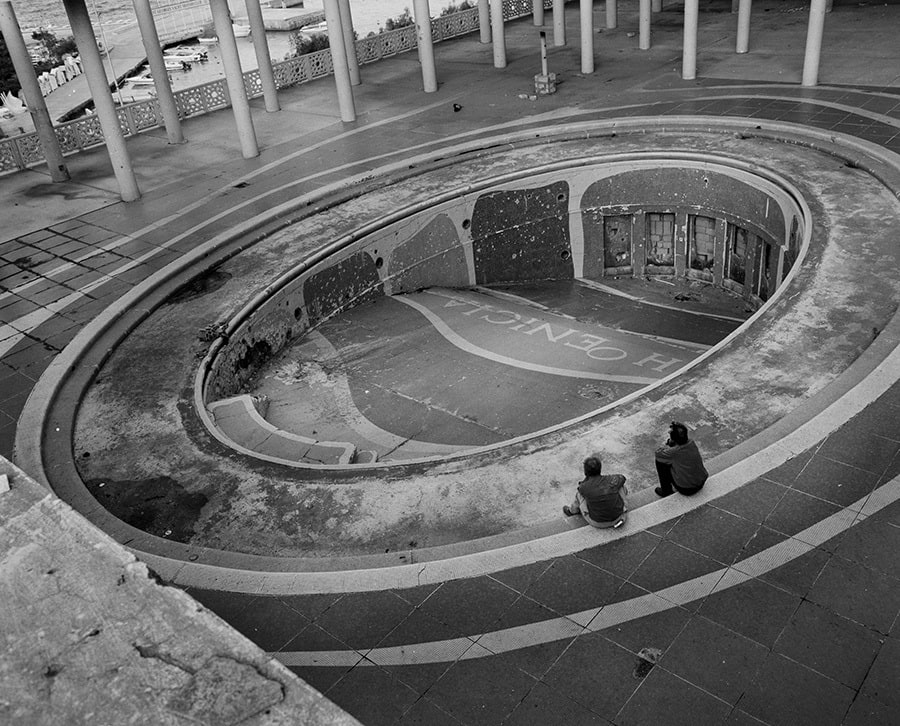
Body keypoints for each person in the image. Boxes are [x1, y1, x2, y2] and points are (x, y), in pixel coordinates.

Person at [563, 454, 627, 528]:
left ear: (585, 472)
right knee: (620, 486)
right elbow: (622, 477)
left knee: (579, 495)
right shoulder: (611, 480)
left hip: (598, 523)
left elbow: (583, 489)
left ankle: (572, 511)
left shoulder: (583, 487)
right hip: (620, 516)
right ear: (600, 469)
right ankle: (619, 509)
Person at [654, 421, 708, 497]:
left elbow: (658, 453)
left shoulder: (673, 452)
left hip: (687, 489)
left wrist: (668, 445)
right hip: (701, 482)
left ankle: (666, 490)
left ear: (673, 439)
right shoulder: (691, 443)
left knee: (660, 461)